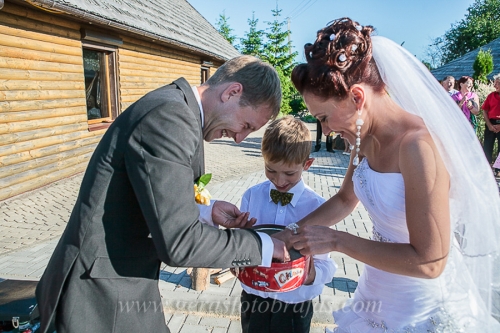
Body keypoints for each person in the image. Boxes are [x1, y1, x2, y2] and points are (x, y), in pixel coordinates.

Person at [35, 55, 288, 333]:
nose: (240, 138)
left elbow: (153, 192)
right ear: (232, 92)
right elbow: (180, 243)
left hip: (121, 279)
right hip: (96, 294)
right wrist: (262, 246)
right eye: (247, 126)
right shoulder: (171, 118)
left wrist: (206, 209)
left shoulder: (181, 112)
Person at [278, 17, 500, 331]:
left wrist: (339, 241)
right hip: (377, 292)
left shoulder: (419, 147)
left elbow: (431, 261)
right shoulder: (362, 136)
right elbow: (344, 200)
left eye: (324, 117)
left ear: (357, 98)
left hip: (420, 307)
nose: (325, 130)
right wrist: (289, 234)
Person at [238, 116, 336, 333]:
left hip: (294, 304)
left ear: (307, 164)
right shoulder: (251, 196)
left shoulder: (319, 208)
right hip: (254, 298)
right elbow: (242, 243)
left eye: (289, 173)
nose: (280, 181)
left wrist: (311, 276)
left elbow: (325, 266)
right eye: (271, 170)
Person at [481, 73, 500, 177]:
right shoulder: (491, 96)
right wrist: (489, 125)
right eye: (495, 83)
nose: (495, 85)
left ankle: (498, 170)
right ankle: (486, 169)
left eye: (497, 83)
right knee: (487, 147)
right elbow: (485, 110)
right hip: (491, 123)